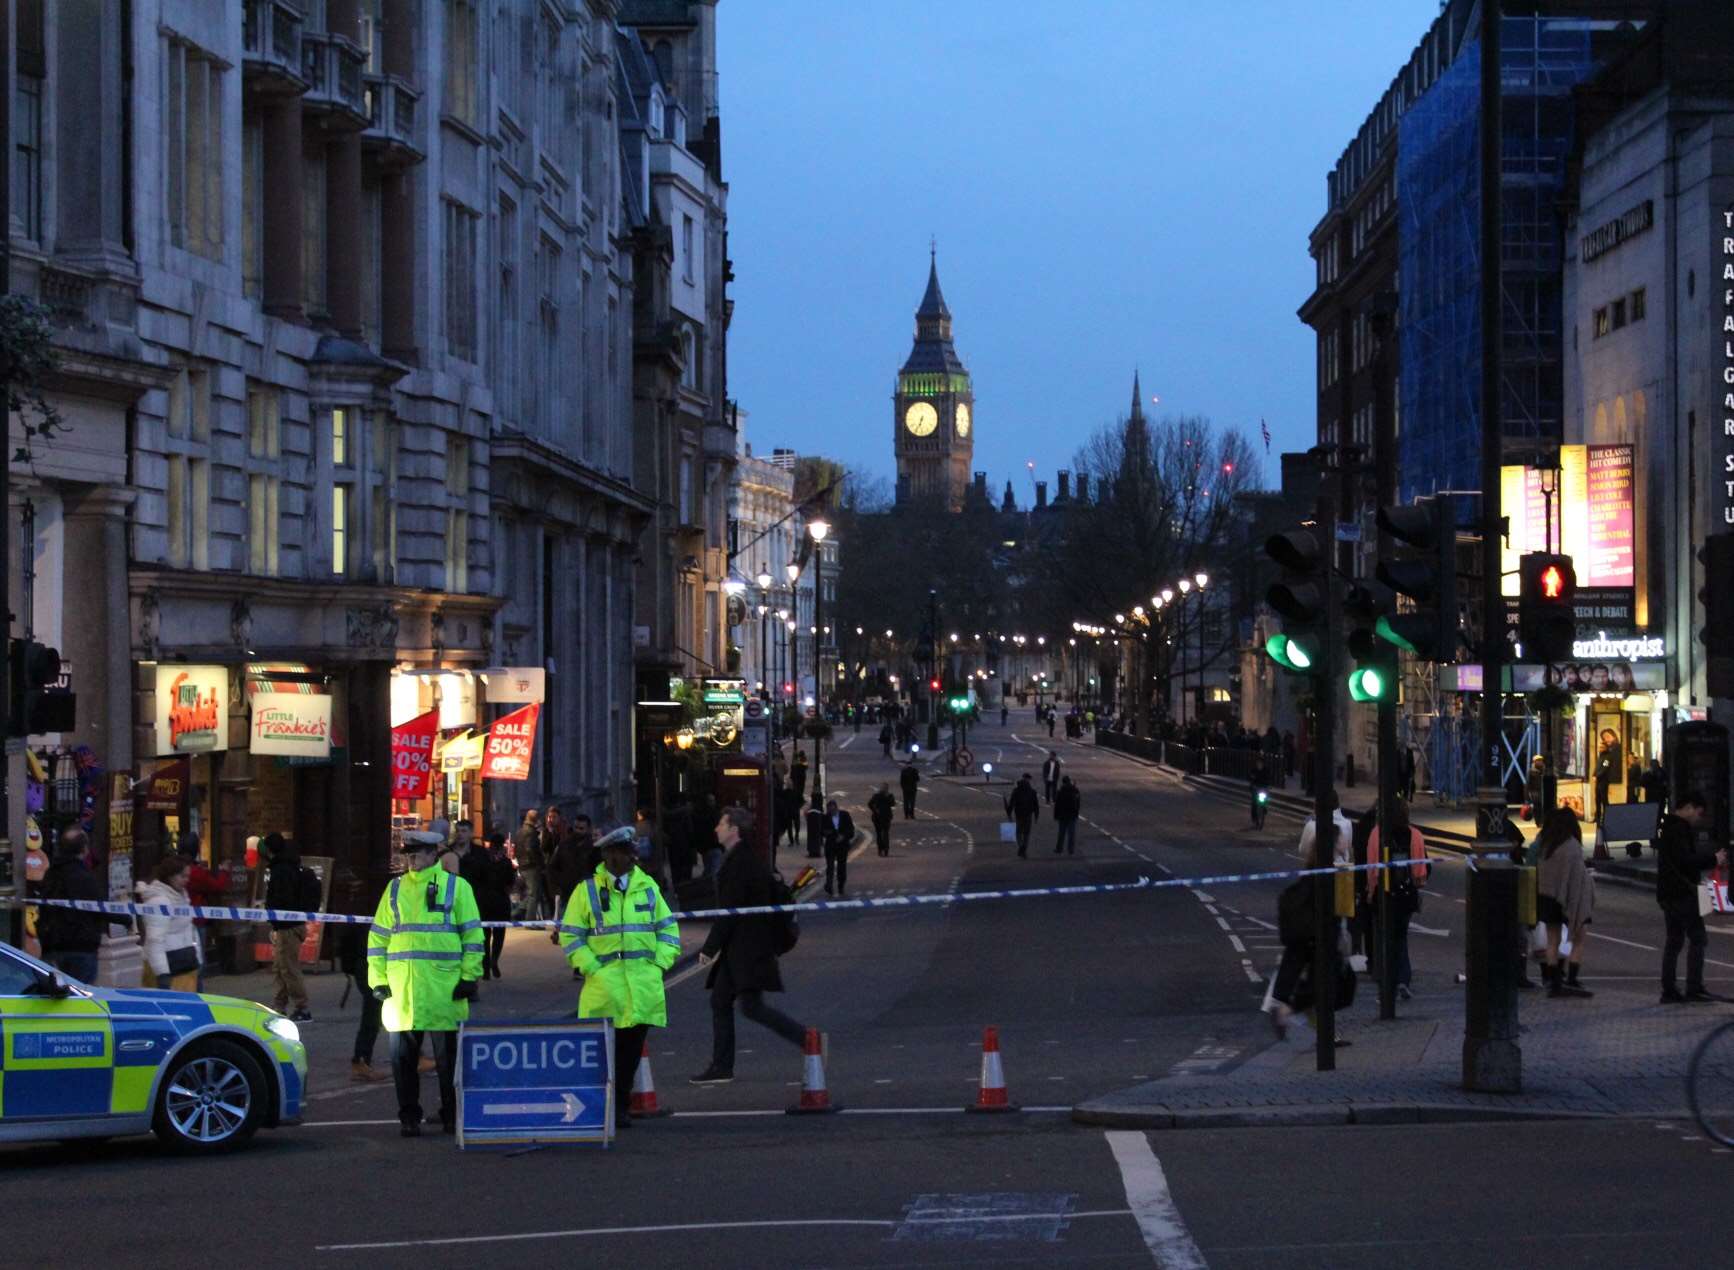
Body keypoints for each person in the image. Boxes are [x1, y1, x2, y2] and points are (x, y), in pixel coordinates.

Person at [368, 821, 484, 1136]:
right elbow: (378, 938)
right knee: (403, 1063)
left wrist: (470, 976)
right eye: (408, 854)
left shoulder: (456, 887)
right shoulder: (394, 889)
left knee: (449, 1063)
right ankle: (409, 1117)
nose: (411, 859)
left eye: (417, 853)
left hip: (444, 988)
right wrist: (377, 980)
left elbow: (473, 935)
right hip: (402, 991)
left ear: (434, 853)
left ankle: (451, 1115)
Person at [559, 827, 680, 1129]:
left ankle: (621, 1106)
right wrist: (593, 968)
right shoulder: (586, 891)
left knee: (630, 1052)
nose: (626, 859)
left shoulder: (647, 887)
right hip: (605, 986)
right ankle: (604, 1106)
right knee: (603, 1054)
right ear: (606, 856)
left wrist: (658, 965)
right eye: (619, 854)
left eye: (628, 853)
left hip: (641, 984)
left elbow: (667, 931)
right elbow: (571, 936)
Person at [692, 807, 812, 1084]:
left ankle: (807, 1039)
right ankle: (722, 1067)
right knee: (723, 1001)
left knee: (750, 1006)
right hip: (741, 948)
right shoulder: (739, 858)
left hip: (748, 949)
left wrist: (709, 948)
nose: (716, 828)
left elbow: (730, 911)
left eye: (721, 823)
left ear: (733, 829)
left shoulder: (741, 863)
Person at [1656, 792, 1729, 1003]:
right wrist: (1713, 859)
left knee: (1674, 940)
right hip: (1682, 893)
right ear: (1688, 807)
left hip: (1668, 892)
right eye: (1698, 813)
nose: (1698, 818)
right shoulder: (1679, 829)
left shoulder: (1667, 827)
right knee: (1698, 938)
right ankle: (1693, 987)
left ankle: (1669, 989)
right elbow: (1687, 860)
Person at [1365, 798, 1429, 1000]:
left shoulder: (1377, 834)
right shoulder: (1416, 835)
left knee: (1385, 938)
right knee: (1401, 936)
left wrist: (1370, 891)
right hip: (1406, 894)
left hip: (1383, 895)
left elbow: (1372, 868)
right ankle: (1403, 978)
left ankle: (1389, 981)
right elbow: (1422, 871)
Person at [36, 828, 110, 983]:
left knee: (53, 994)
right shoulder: (84, 876)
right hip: (80, 947)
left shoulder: (51, 874)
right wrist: (126, 919)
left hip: (52, 945)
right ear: (84, 849)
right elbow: (100, 907)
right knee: (81, 996)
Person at [1533, 807, 1593, 998]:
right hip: (1569, 898)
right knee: (1579, 938)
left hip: (1547, 898)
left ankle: (1553, 980)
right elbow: (1576, 877)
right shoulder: (1572, 846)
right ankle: (1572, 979)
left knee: (1553, 940)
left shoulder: (1545, 845)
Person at [262, 832, 314, 1022]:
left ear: (269, 850)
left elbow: (281, 898)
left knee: (288, 968)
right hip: (291, 925)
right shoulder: (291, 866)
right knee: (281, 967)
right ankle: (279, 1005)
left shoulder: (281, 870)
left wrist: (274, 916)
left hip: (287, 927)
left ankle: (302, 1008)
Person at [136, 855, 203, 992]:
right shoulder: (160, 901)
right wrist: (162, 974)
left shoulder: (181, 897)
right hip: (170, 968)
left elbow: (188, 931)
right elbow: (155, 940)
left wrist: (197, 959)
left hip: (184, 964)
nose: (186, 880)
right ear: (170, 876)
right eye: (182, 876)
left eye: (187, 876)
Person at [339, 919, 389, 1082]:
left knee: (374, 1015)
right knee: (372, 1016)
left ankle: (361, 1061)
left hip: (367, 963)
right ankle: (360, 1061)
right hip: (371, 965)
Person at [462, 830, 516, 979]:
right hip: (500, 902)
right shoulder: (506, 862)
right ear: (502, 846)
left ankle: (485, 968)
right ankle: (494, 961)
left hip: (484, 901)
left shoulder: (483, 861)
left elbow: (475, 879)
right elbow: (511, 884)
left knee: (484, 935)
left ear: (490, 845)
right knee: (499, 935)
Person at [1297, 792, 1354, 867]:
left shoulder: (1311, 825)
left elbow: (1302, 850)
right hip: (1341, 870)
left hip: (1316, 868)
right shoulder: (1347, 823)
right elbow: (1348, 848)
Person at [512, 808, 546, 921]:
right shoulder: (530, 832)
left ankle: (516, 912)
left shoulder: (520, 831)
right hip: (531, 866)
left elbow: (516, 849)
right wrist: (539, 862)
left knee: (532, 892)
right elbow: (530, 849)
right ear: (536, 819)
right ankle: (530, 920)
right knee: (534, 894)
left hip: (523, 865)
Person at [820, 798, 856, 896]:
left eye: (833, 810)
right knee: (830, 867)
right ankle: (829, 886)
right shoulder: (825, 817)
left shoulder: (845, 815)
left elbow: (851, 831)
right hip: (830, 845)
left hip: (842, 846)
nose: (831, 812)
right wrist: (828, 833)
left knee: (841, 867)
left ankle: (841, 886)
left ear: (836, 808)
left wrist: (843, 836)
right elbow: (822, 831)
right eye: (829, 810)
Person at [1005, 773, 1041, 859]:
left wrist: (1009, 812)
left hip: (1019, 814)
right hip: (1028, 814)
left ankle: (1021, 846)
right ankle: (1024, 847)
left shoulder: (1016, 790)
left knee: (1018, 832)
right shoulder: (1032, 791)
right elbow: (1036, 805)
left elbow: (1012, 803)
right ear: (1029, 781)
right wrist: (1036, 815)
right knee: (1026, 833)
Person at [1593, 729, 1621, 823]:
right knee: (1597, 799)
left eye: (1601, 747)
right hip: (1598, 781)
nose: (1600, 749)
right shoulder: (1600, 757)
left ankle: (1607, 817)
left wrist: (1597, 776)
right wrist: (1594, 774)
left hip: (1603, 781)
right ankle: (1597, 817)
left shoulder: (1607, 757)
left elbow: (1604, 768)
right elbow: (1597, 767)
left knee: (1604, 800)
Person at [1053, 775, 1082, 855]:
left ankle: (1059, 848)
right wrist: (1076, 812)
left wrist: (1055, 815)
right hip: (1072, 815)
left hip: (1062, 815)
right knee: (1071, 834)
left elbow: (1057, 804)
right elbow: (1078, 803)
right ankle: (1071, 850)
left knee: (1061, 833)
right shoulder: (1075, 790)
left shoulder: (1060, 791)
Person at [868, 783, 896, 857]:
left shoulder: (876, 795)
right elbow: (893, 804)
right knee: (885, 833)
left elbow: (870, 804)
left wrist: (875, 810)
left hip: (878, 816)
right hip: (885, 816)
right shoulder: (889, 795)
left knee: (879, 834)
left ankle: (880, 850)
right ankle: (885, 849)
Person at [1249, 753, 1272, 828]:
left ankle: (1264, 808)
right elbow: (1250, 778)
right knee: (1254, 803)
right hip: (1256, 788)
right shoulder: (1254, 770)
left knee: (1266, 798)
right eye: (1258, 763)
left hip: (1264, 787)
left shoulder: (1266, 770)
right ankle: (1254, 818)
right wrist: (1252, 784)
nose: (1259, 764)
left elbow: (1269, 779)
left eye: (1261, 763)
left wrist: (1269, 785)